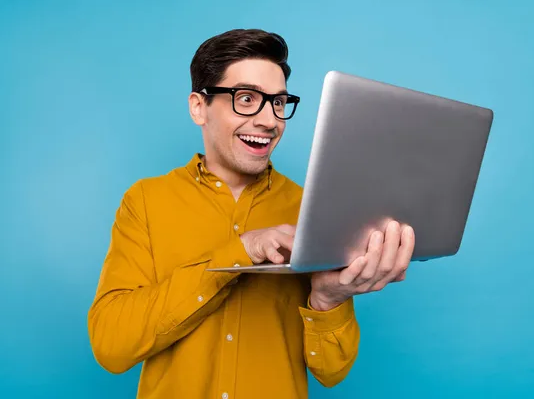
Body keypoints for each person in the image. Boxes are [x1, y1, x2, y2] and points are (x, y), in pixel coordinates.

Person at [87, 28, 415, 399]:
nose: (269, 121)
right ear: (199, 107)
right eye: (246, 98)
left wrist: (328, 301)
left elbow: (332, 372)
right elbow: (111, 347)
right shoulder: (146, 201)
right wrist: (239, 252)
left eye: (278, 103)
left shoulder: (312, 210)